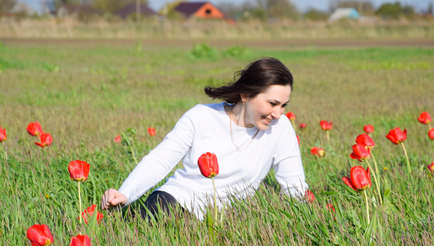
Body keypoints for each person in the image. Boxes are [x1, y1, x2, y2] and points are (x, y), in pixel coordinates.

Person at [101, 57, 308, 221]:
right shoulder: (201, 116)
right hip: (175, 202)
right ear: (245, 95)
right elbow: (161, 159)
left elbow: (293, 184)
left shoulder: (280, 129)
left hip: (228, 218)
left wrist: (295, 220)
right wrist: (125, 193)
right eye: (272, 103)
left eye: (283, 105)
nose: (278, 113)